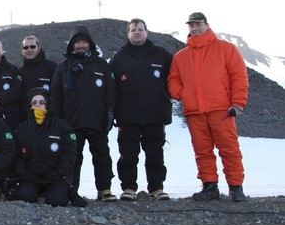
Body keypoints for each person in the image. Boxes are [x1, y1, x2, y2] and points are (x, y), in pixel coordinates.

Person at [168, 12, 249, 202]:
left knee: (229, 149)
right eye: (191, 25)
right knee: (202, 151)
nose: (195, 28)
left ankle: (236, 188)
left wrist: (237, 103)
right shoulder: (180, 57)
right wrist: (183, 93)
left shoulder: (226, 49)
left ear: (206, 25)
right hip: (195, 112)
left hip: (221, 110)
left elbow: (239, 77)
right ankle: (209, 186)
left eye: (198, 24)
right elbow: (173, 81)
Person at [50, 26, 117, 203]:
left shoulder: (101, 65)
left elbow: (110, 92)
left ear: (90, 44)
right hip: (71, 122)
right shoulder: (63, 67)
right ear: (72, 45)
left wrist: (110, 112)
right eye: (77, 42)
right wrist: (58, 121)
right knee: (73, 158)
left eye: (84, 42)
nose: (81, 45)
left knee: (102, 156)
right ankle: (72, 190)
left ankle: (104, 189)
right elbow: (56, 96)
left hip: (97, 120)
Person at [109, 19, 173, 201]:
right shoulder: (118, 58)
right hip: (127, 116)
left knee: (155, 154)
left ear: (147, 32)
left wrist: (167, 103)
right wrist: (111, 111)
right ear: (128, 33)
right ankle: (129, 188)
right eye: (133, 30)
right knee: (128, 155)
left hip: (155, 115)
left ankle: (157, 188)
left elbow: (173, 80)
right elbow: (111, 87)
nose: (137, 32)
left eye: (140, 29)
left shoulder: (161, 55)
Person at [13, 89, 77, 206]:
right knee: (24, 197)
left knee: (57, 201)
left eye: (42, 102)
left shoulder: (61, 125)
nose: (38, 104)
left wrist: (60, 171)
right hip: (31, 177)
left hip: (55, 176)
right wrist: (22, 171)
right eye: (34, 102)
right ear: (30, 105)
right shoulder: (22, 128)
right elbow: (17, 155)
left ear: (47, 104)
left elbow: (70, 153)